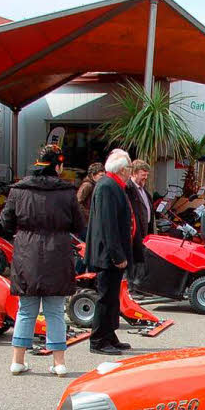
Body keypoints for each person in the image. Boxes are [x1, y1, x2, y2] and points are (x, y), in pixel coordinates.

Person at [0, 144, 84, 376]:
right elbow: (79, 224)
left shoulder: (19, 189)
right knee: (55, 311)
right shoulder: (67, 192)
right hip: (57, 252)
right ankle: (59, 363)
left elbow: (6, 221)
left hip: (27, 251)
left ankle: (17, 361)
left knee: (26, 309)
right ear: (57, 166)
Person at [85, 149, 135, 355]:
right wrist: (118, 255)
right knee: (105, 297)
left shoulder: (113, 185)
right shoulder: (107, 186)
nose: (130, 170)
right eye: (129, 167)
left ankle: (109, 334)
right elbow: (108, 225)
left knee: (112, 297)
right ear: (122, 169)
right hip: (108, 255)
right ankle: (98, 339)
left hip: (112, 253)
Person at [125, 159, 153, 283]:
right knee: (134, 258)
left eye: (147, 175)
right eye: (143, 175)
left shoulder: (144, 191)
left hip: (144, 230)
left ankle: (139, 283)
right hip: (134, 231)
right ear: (134, 173)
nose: (145, 178)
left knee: (142, 257)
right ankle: (133, 284)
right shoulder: (128, 189)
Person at [76, 162, 104, 227]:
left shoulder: (95, 185)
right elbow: (77, 202)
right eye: (101, 175)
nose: (103, 178)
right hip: (86, 223)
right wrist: (89, 214)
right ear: (93, 176)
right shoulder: (87, 185)